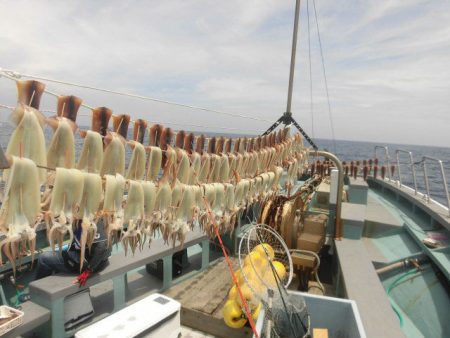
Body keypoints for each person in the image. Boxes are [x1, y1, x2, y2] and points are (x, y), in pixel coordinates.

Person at [35, 219, 111, 286]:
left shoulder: (91, 221)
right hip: (98, 261)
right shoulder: (91, 217)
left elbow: (102, 247)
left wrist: (87, 271)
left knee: (43, 258)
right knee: (60, 252)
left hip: (85, 264)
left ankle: (37, 291)